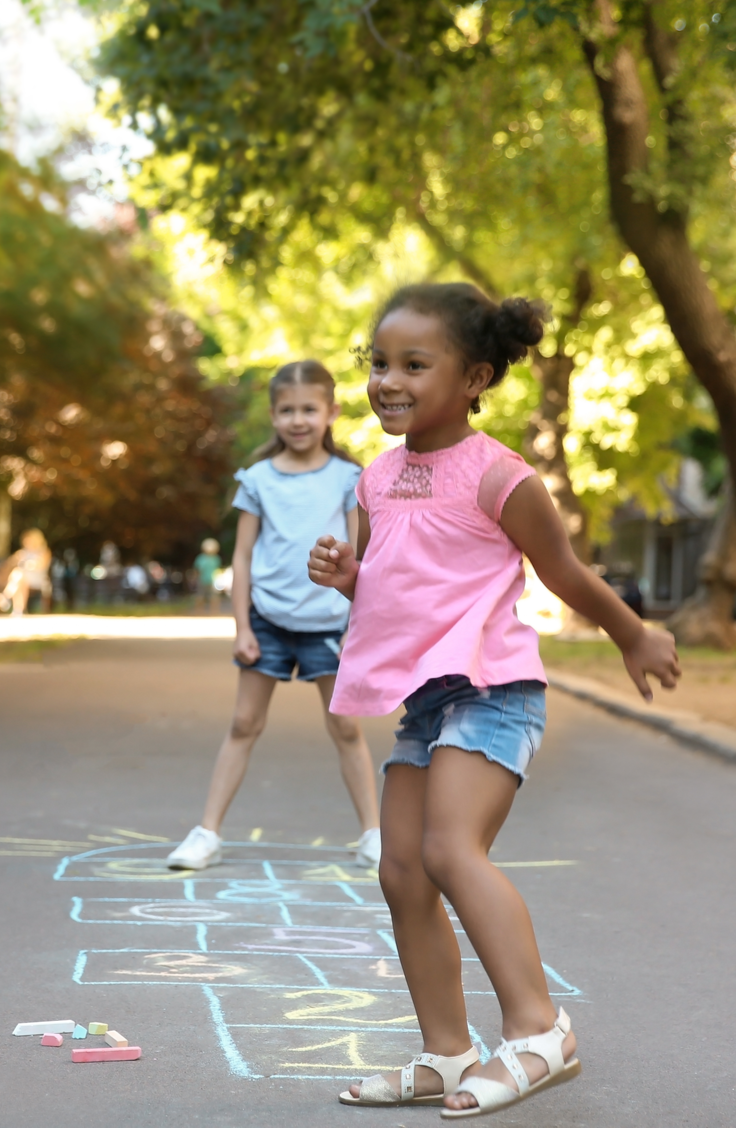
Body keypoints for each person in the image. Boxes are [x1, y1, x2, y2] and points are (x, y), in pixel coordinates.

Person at [308, 283, 680, 1118]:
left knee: (449, 848)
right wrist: (347, 579)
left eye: (413, 363)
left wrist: (631, 635)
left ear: (474, 377)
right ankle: (446, 1052)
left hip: (494, 690)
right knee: (401, 868)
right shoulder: (374, 479)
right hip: (427, 702)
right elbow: (392, 589)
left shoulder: (500, 477)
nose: (386, 380)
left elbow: (566, 573)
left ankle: (541, 1032)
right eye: (377, 363)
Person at [166, 359, 382, 872]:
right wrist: (241, 626)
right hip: (267, 622)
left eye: (309, 409)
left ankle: (373, 834)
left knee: (346, 729)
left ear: (331, 412)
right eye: (287, 410)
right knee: (244, 723)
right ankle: (207, 834)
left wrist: (361, 627)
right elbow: (241, 557)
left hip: (328, 625)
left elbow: (362, 559)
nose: (299, 419)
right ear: (273, 415)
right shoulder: (258, 478)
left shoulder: (349, 478)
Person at [0, 528, 52, 614]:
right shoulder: (22, 552)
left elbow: (41, 565)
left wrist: (27, 565)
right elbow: (9, 563)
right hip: (22, 579)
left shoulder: (44, 551)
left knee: (18, 575)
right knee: (19, 577)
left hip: (38, 580)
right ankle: (18, 609)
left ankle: (6, 597)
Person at [193, 537, 222, 614]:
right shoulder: (201, 558)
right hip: (202, 580)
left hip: (213, 580)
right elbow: (197, 570)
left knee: (213, 597)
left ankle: (213, 612)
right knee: (200, 596)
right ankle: (200, 611)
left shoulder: (216, 558)